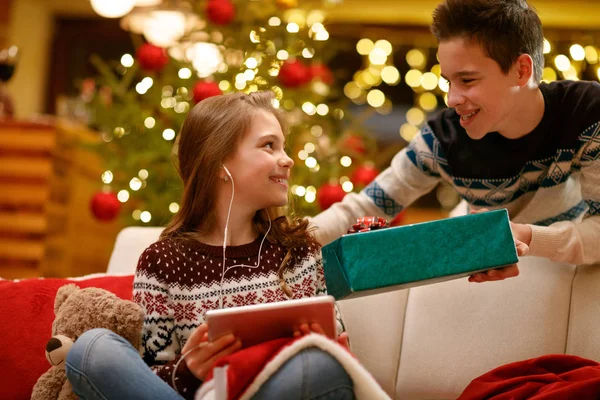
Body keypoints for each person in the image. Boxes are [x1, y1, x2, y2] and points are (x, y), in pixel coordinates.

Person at [65, 92, 354, 400]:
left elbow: (338, 358)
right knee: (92, 349)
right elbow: (144, 377)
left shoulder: (299, 251)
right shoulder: (163, 262)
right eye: (269, 145)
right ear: (218, 163)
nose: (288, 159)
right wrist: (187, 371)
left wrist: (334, 353)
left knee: (321, 367)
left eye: (283, 146)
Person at [312, 0, 600, 283]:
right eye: (449, 81)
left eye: (468, 80)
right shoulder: (440, 140)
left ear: (521, 71)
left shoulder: (586, 114)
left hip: (566, 276)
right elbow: (365, 209)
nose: (451, 99)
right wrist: (287, 241)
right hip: (475, 279)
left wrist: (526, 237)